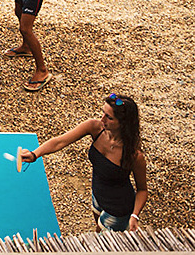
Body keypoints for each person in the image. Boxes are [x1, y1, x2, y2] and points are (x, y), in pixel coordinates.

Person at [21, 92, 148, 231]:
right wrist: (35, 154)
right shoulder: (95, 127)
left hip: (118, 208)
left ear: (123, 123)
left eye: (109, 117)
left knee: (102, 240)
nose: (102, 119)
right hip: (97, 195)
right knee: (98, 226)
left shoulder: (133, 155)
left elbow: (142, 190)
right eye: (103, 113)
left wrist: (134, 216)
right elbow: (60, 141)